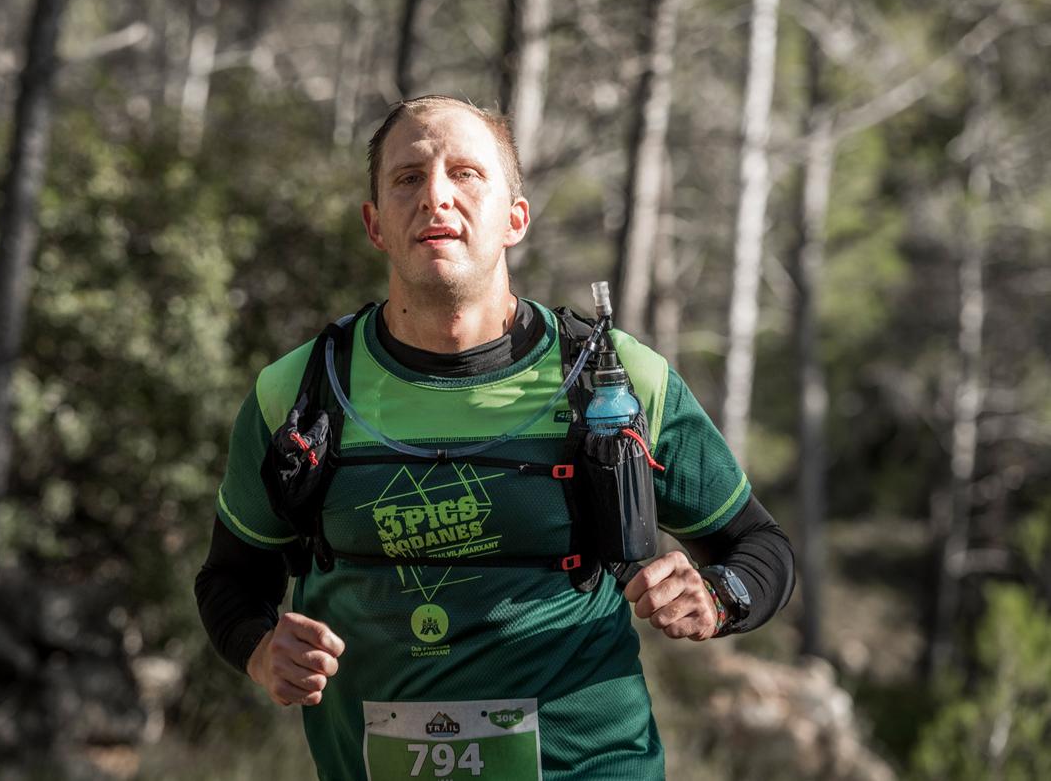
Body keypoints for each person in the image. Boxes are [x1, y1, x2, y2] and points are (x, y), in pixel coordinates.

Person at [196, 95, 795, 780]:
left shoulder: (617, 382)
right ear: (375, 224)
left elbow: (762, 549)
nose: (436, 197)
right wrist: (259, 648)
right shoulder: (297, 394)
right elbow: (230, 580)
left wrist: (719, 597)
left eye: (466, 173)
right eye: (407, 177)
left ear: (516, 218)